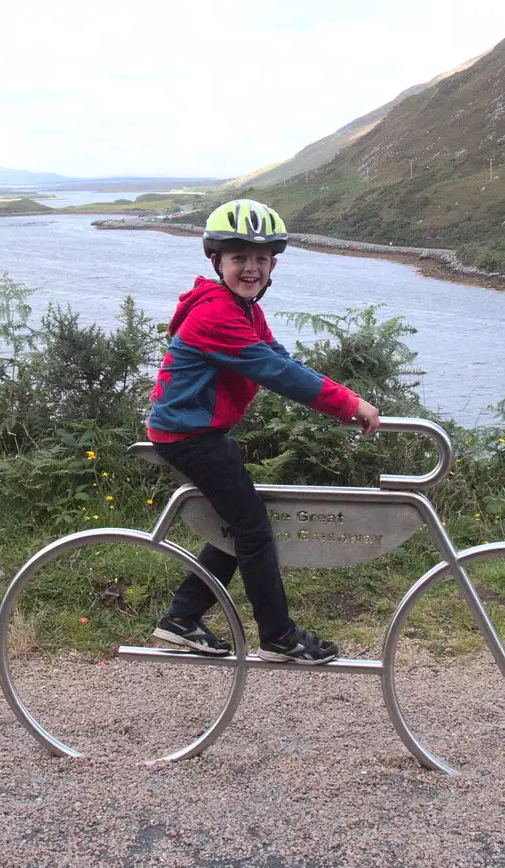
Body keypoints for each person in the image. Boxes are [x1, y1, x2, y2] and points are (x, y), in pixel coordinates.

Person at [146, 198, 382, 664]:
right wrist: (347, 405)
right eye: (239, 258)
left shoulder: (244, 310)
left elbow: (279, 357)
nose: (251, 267)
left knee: (241, 527)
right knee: (253, 531)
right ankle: (278, 635)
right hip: (189, 437)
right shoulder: (216, 314)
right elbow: (277, 374)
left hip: (200, 433)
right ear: (217, 262)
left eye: (261, 259)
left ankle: (182, 618)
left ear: (273, 264)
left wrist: (343, 396)